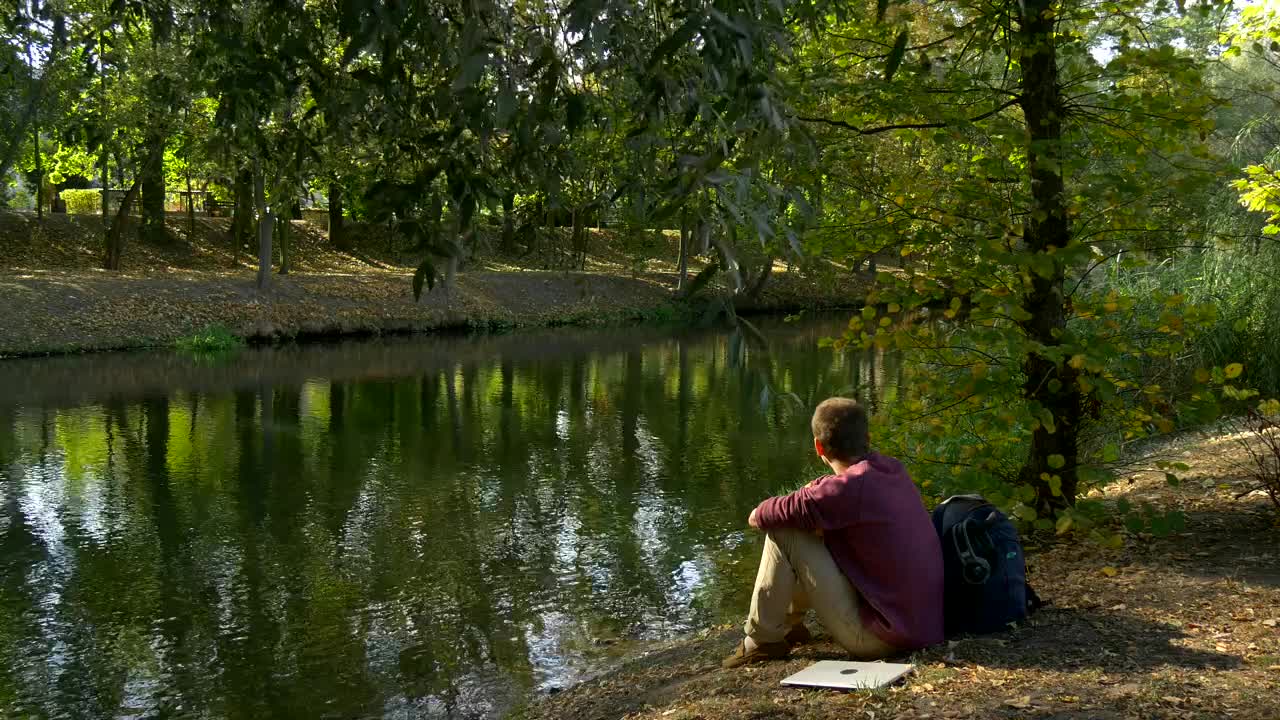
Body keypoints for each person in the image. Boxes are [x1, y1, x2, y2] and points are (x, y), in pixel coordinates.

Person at [722, 397, 944, 669]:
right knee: (809, 526)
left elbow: (758, 516)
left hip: (886, 638)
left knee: (783, 531)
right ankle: (789, 625)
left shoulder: (846, 490)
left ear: (818, 446)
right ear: (868, 438)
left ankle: (762, 640)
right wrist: (814, 494)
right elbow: (832, 497)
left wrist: (808, 495)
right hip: (925, 625)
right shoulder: (891, 470)